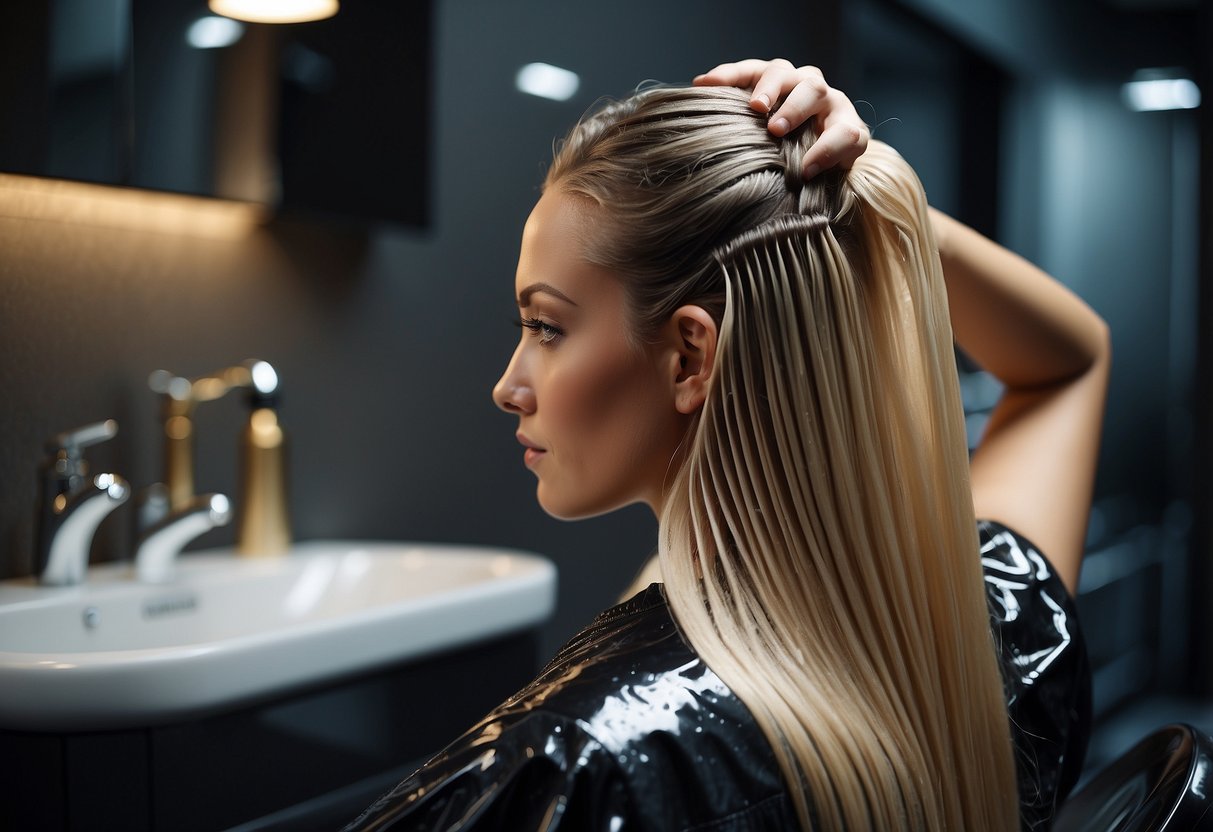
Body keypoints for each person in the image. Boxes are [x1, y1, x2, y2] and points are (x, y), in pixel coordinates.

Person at [344, 59, 1109, 831]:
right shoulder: (992, 629)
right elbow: (1066, 367)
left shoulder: (575, 763)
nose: (508, 386)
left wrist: (836, 191)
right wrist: (856, 201)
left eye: (546, 326)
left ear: (690, 358)